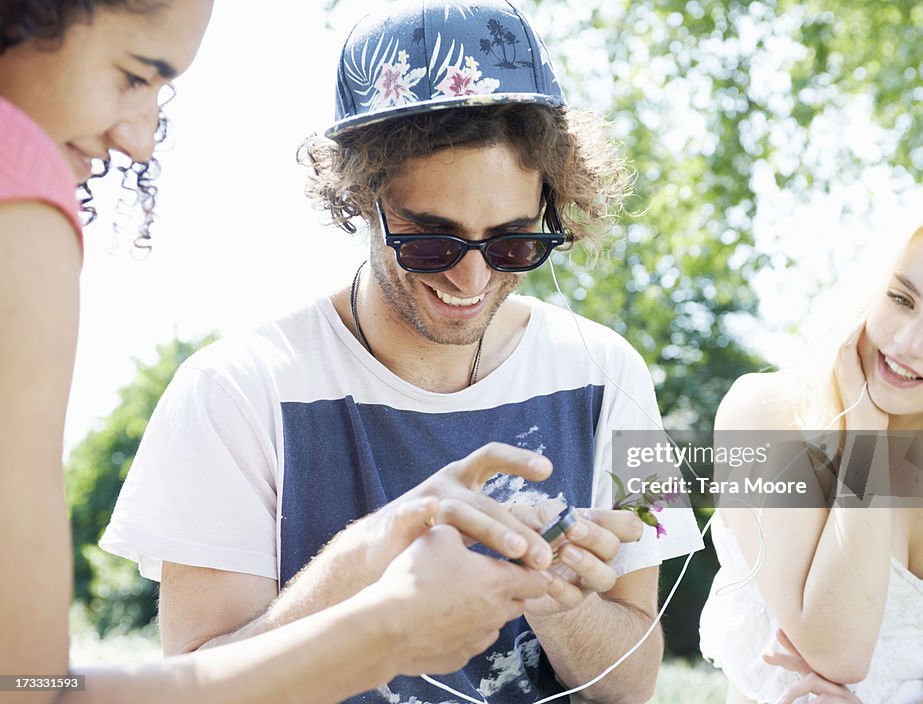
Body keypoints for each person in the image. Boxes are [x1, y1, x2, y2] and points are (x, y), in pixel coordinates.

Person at [100, 1, 704, 703]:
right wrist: (373, 550)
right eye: (431, 242)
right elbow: (195, 688)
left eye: (512, 243)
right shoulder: (232, 391)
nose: (472, 281)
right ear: (360, 197)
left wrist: (554, 591)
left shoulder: (614, 375)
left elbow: (632, 684)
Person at [0, 2, 553, 703]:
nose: (140, 139)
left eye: (511, 241)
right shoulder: (19, 209)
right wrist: (383, 634)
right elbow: (25, 687)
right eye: (135, 74)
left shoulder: (604, 367)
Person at [698, 184, 923, 703]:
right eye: (901, 299)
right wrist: (865, 433)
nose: (908, 344)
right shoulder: (770, 413)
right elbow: (839, 651)